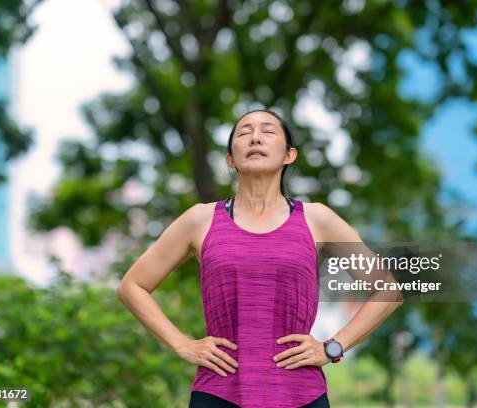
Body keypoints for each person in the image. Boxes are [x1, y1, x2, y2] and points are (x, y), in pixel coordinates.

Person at [117, 108, 403, 407]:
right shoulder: (199, 220)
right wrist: (182, 345)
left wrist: (332, 347)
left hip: (300, 394)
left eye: (267, 131)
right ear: (230, 158)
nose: (255, 138)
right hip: (218, 392)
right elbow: (132, 286)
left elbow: (388, 289)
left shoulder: (317, 219)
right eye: (243, 133)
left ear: (289, 155)